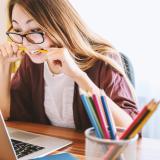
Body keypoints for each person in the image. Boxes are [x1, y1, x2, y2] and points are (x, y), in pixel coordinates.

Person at [0, 0, 138, 131]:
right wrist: (4, 65)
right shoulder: (33, 62)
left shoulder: (103, 60)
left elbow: (129, 130)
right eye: (18, 30)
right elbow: (6, 113)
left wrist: (78, 76)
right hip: (52, 150)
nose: (25, 43)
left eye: (35, 30)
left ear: (59, 24)